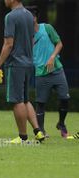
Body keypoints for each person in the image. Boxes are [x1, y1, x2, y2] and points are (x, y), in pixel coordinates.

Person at [0, 0, 45, 143]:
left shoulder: (11, 16)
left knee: (17, 100)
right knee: (26, 99)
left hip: (15, 64)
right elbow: (33, 39)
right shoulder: (28, 15)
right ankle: (38, 131)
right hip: (28, 63)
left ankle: (22, 137)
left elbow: (8, 44)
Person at [27, 6, 70, 138]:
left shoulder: (47, 28)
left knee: (65, 98)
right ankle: (41, 130)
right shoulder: (25, 34)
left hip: (57, 69)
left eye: (31, 16)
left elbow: (59, 44)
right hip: (40, 73)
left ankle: (61, 123)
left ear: (35, 17)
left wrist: (52, 57)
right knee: (40, 103)